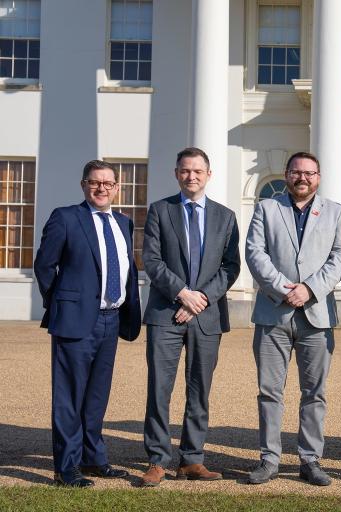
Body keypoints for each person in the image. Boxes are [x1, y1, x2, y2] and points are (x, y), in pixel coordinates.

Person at [244, 151, 341, 486]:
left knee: (314, 392)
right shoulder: (267, 207)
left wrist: (309, 289)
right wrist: (282, 288)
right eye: (296, 172)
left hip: (316, 315)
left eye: (309, 173)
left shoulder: (336, 212)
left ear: (318, 177)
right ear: (287, 174)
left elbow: (340, 257)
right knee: (269, 391)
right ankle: (269, 459)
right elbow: (254, 252)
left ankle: (310, 459)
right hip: (272, 312)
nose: (302, 178)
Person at [34, 160, 141, 487]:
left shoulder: (124, 223)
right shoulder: (66, 218)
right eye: (95, 182)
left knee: (97, 396)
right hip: (76, 322)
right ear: (84, 185)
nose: (101, 188)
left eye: (108, 183)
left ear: (117, 188)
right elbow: (43, 266)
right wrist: (62, 305)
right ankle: (66, 468)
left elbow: (126, 269)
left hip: (111, 320)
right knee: (69, 397)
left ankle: (93, 459)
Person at [140, 147, 240, 487]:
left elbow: (230, 266)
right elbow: (152, 261)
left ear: (208, 175)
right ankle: (157, 459)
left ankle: (192, 459)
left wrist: (201, 299)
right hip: (165, 312)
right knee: (159, 388)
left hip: (207, 316)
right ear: (177, 173)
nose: (191, 176)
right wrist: (182, 293)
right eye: (185, 171)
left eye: (197, 171)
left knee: (199, 389)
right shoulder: (159, 211)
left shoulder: (225, 217)